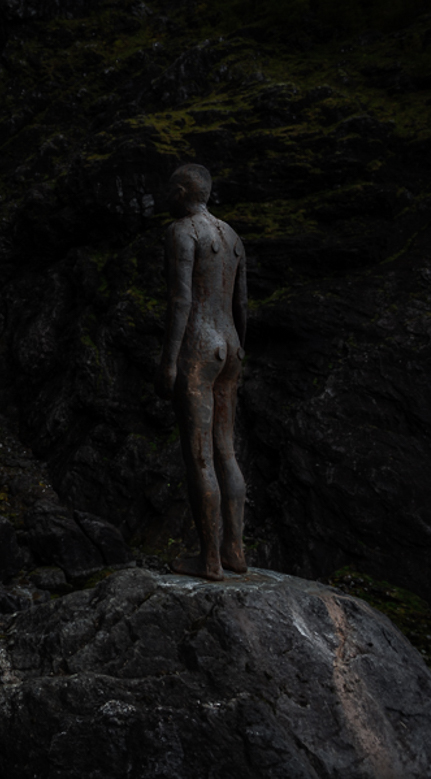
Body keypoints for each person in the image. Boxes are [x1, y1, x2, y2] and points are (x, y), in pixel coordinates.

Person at [159, 163, 248, 581]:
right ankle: (235, 550)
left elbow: (181, 301)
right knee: (227, 451)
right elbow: (241, 305)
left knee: (200, 456)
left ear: (181, 192)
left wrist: (169, 360)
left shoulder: (182, 232)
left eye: (170, 191)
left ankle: (210, 560)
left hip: (198, 345)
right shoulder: (231, 237)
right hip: (230, 345)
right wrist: (237, 345)